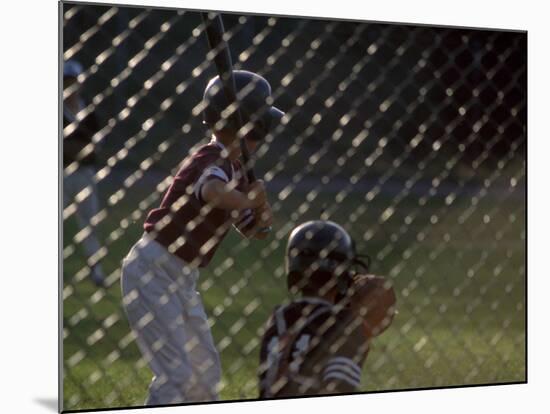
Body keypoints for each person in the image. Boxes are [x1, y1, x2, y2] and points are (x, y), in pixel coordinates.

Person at [120, 70, 284, 405]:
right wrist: (248, 199)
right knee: (177, 374)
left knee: (204, 373)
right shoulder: (213, 158)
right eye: (261, 129)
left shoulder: (236, 170)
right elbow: (211, 191)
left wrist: (261, 205)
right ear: (248, 127)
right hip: (153, 268)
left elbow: (258, 231)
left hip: (181, 277)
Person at [258, 220, 396, 398]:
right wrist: (361, 332)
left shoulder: (278, 316)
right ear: (343, 270)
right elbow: (341, 390)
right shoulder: (347, 326)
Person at [63, 59, 106, 287]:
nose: (70, 85)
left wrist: (75, 148)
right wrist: (78, 148)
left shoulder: (87, 112)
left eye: (73, 81)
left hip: (85, 174)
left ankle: (96, 272)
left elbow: (95, 146)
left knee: (90, 223)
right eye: (66, 81)